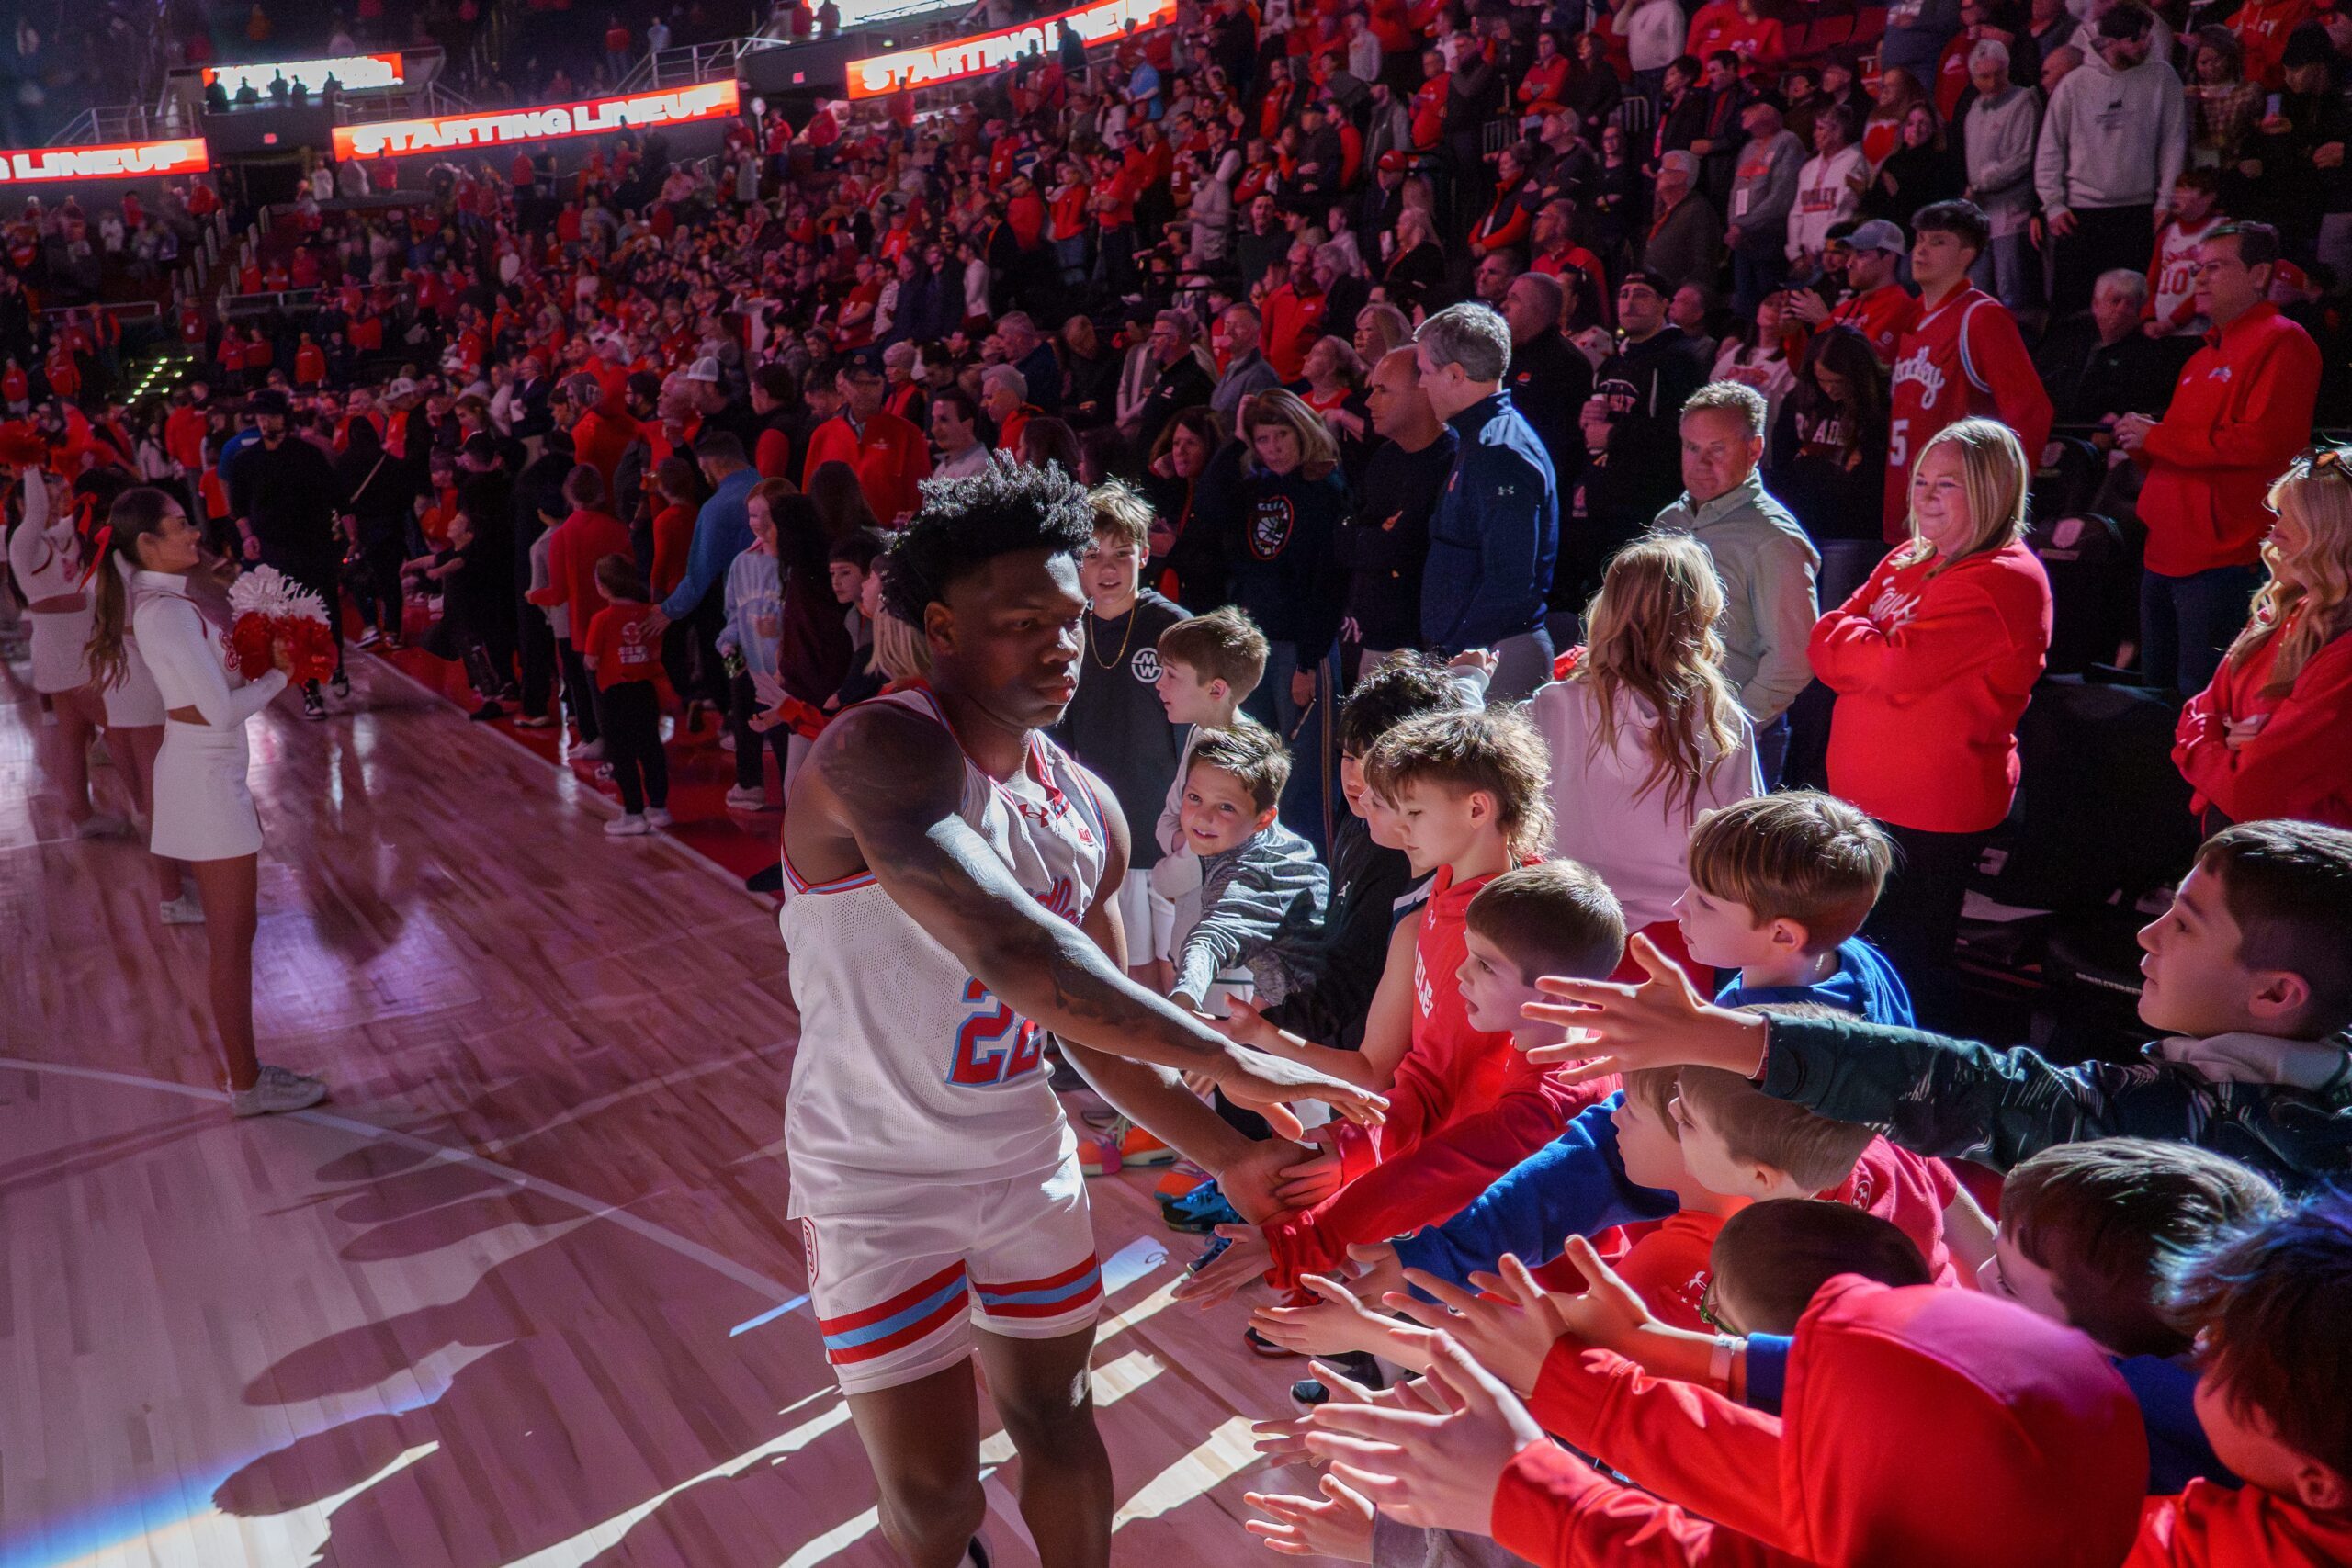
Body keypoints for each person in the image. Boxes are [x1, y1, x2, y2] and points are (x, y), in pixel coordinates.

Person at [773, 460, 1378, 1568]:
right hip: (874, 1177)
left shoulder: (1083, 799)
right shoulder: (880, 751)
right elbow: (1013, 949)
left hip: (1018, 1159)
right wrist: (1229, 1068)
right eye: (1021, 624)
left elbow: (1088, 1022)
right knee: (937, 1499)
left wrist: (1221, 1155)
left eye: (1066, 619)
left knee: (1061, 1421)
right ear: (943, 628)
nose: (1058, 645)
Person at [1528, 818, 2352, 1188]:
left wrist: (1728, 1037)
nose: (2146, 936)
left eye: (2186, 924)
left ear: (2277, 993)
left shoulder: (2202, 1127)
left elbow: (1971, 1086)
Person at [85, 487, 325, 1115]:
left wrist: (264, 652)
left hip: (206, 773)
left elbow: (215, 690)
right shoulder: (165, 612)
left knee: (234, 937)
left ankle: (246, 1075)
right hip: (205, 778)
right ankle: (246, 1083)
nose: (194, 532)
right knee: (232, 940)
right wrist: (280, 674)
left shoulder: (167, 599)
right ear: (147, 545)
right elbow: (219, 713)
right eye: (179, 525)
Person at [1811, 418, 2051, 1019]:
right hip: (1863, 798)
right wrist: (1868, 646)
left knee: (1912, 968)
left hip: (1931, 812)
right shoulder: (1908, 557)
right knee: (1860, 958)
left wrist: (1866, 644)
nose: (1927, 495)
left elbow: (1891, 666)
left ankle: (1921, 1096)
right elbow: (1821, 644)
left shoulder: (2004, 578)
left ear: (1992, 491)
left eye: (1948, 484)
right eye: (1922, 480)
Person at [2113, 222, 2322, 695]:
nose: (2200, 279)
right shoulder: (2199, 359)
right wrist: (2143, 447)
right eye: (2197, 268)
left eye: (2215, 267)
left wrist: (2159, 438)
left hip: (2224, 560)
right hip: (2164, 554)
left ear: (2259, 273)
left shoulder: (2283, 342)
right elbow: (2181, 456)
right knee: (2154, 704)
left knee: (2203, 701)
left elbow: (2263, 447)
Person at [1533, 533, 1760, 965]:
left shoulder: (1550, 706)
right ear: (1702, 616)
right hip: (1676, 941)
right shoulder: (1723, 723)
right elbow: (1741, 847)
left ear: (1608, 609)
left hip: (1561, 927)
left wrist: (1471, 682)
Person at [1053, 481, 1190, 986]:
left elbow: (1200, 736)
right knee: (1129, 975)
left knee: (1177, 972)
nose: (1108, 570)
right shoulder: (1067, 630)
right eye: (1093, 555)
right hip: (1107, 835)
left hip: (1171, 834)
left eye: (1122, 554)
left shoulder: (1173, 630)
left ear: (1145, 555)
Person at [1652, 381, 1820, 783]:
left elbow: (1794, 659)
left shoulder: (1773, 539)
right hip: (1658, 727)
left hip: (1734, 742)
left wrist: (1729, 728)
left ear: (1755, 449)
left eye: (1717, 449)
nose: (1700, 463)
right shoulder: (1667, 522)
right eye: (1691, 447)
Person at [2174, 451, 2352, 830]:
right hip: (2235, 843)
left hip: (2299, 870)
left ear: (2334, 532)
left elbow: (2249, 794)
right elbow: (2195, 712)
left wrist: (2209, 748)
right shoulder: (2279, 613)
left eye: (2291, 518)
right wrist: (2226, 747)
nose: (2273, 534)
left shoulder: (2344, 654)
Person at [1883, 200, 2051, 545]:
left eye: (1938, 241)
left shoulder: (1981, 316)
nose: (1921, 251)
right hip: (1906, 511)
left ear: (1967, 254)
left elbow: (2031, 412)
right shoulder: (1911, 320)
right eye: (1920, 240)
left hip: (1959, 520)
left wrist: (1999, 503)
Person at [1415, 304, 1558, 700]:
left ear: (1456, 374)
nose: (1422, 384)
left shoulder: (1500, 452)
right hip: (1476, 654)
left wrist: (1453, 655)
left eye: (1426, 371)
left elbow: (1509, 581)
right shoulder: (1478, 441)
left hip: (1493, 657)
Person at [1679, 791, 1913, 1021]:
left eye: (1705, 902)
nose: (1677, 907)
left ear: (1783, 935)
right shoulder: (1852, 955)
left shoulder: (1752, 1035)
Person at [1162, 722, 1329, 1016]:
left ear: (1264, 819)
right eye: (1194, 798)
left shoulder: (1250, 876)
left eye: (1225, 807)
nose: (1203, 817)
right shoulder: (1278, 845)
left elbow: (1213, 937)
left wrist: (1183, 999)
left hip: (1320, 1031)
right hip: (1295, 1014)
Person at [2034, 2, 2188, 316]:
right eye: (2136, 39)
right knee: (2073, 311)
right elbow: (2050, 147)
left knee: (2132, 308)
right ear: (2111, 42)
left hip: (2138, 209)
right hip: (2082, 211)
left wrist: (2165, 200)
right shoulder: (2075, 85)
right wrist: (2053, 203)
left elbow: (2174, 142)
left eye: (2147, 37)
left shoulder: (2162, 77)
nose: (2145, 45)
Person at [1577, 270, 1712, 600]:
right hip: (1604, 503)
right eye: (1623, 294)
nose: (1629, 302)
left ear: (1664, 304)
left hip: (1649, 506)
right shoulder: (1613, 362)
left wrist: (1614, 435)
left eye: (1641, 294)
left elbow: (1683, 431)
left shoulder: (1681, 359)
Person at [1223, 389, 1349, 736]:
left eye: (1282, 435)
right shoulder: (1255, 488)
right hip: (1256, 643)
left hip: (1303, 650)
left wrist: (1307, 663)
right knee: (1259, 761)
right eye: (1263, 439)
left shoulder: (1324, 488)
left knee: (1304, 770)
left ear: (1302, 431)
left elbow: (1327, 582)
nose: (1274, 447)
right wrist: (1236, 439)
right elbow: (1209, 503)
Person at [1333, 347, 1458, 676]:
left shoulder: (1452, 461)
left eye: (1382, 390)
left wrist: (1375, 538)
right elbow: (1344, 537)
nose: (1370, 402)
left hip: (1426, 647)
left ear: (1422, 392)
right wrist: (1374, 536)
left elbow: (1404, 547)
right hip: (1372, 635)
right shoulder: (1385, 457)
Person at [228, 389, 346, 718]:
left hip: (317, 545)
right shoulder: (246, 461)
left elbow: (336, 495)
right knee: (293, 618)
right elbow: (237, 507)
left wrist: (348, 529)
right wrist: (247, 535)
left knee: (327, 611)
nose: (265, 422)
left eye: (271, 415)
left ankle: (336, 666)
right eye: (261, 417)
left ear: (285, 418)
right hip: (276, 550)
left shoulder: (307, 455)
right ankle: (311, 690)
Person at [582, 554, 670, 836]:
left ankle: (633, 813)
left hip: (614, 693)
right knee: (651, 747)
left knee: (621, 752)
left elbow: (591, 660)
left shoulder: (602, 619)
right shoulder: (651, 612)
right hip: (645, 688)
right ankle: (658, 807)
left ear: (604, 587)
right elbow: (657, 650)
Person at [802, 355, 930, 526]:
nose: (864, 390)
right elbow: (809, 496)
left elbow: (918, 500)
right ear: (843, 386)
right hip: (835, 544)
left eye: (872, 383)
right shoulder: (823, 435)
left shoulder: (908, 434)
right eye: (856, 383)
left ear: (883, 385)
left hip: (888, 543)